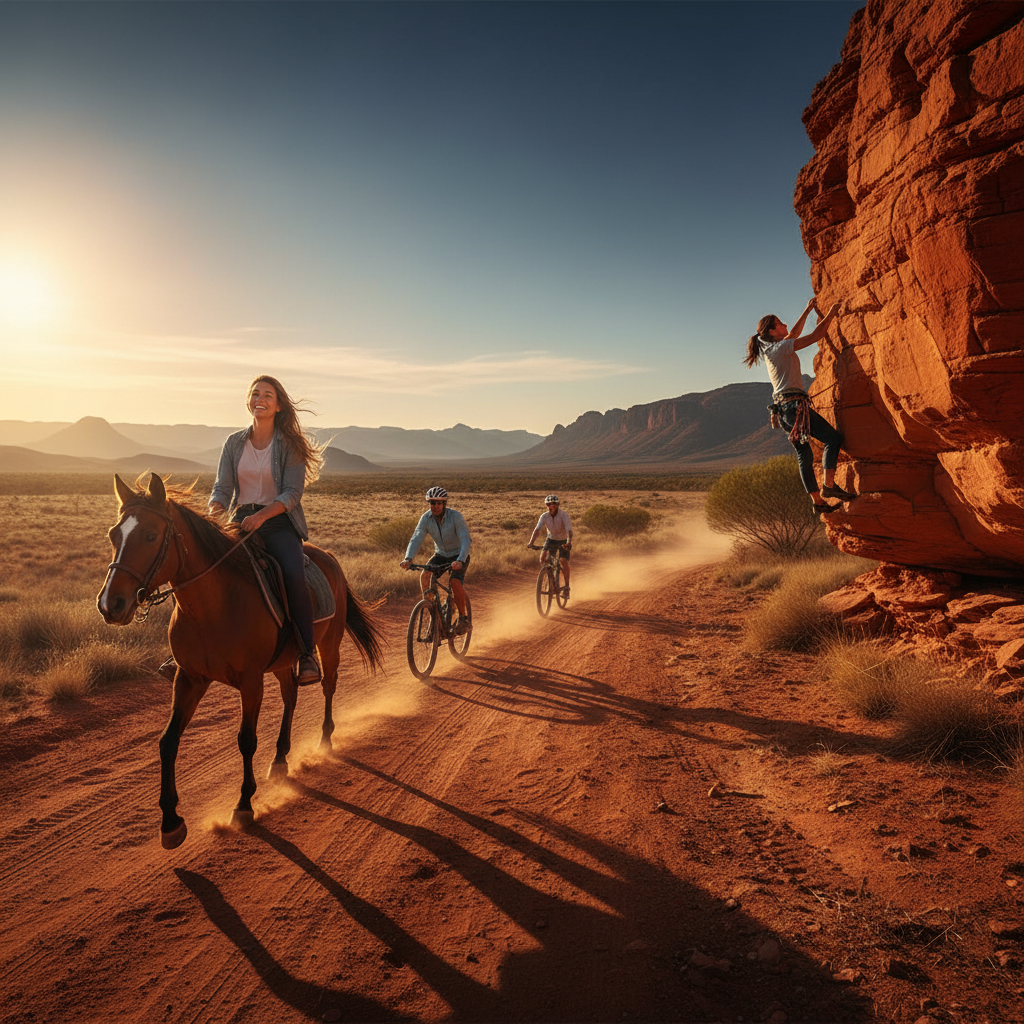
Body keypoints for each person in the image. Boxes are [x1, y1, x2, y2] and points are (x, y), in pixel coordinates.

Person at [208, 374, 325, 684]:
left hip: (279, 523)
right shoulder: (234, 442)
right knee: (207, 567)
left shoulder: (290, 444)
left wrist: (263, 517)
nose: (260, 399)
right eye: (255, 393)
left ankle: (306, 653)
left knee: (292, 573)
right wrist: (214, 513)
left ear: (278, 406)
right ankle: (197, 646)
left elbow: (291, 493)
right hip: (241, 519)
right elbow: (223, 486)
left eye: (268, 395)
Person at [744, 299, 855, 514]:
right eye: (781, 323)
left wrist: (808, 309)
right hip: (794, 409)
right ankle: (829, 486)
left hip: (785, 411)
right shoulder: (780, 348)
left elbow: (792, 333)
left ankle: (818, 503)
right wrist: (831, 312)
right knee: (832, 438)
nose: (785, 325)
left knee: (804, 454)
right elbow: (815, 336)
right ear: (772, 330)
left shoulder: (774, 348)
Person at [400, 486, 472, 634]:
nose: (435, 506)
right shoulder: (426, 518)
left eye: (439, 503)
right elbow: (416, 537)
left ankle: (464, 618)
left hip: (459, 555)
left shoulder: (455, 517)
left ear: (444, 504)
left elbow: (465, 539)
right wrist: (408, 558)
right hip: (441, 555)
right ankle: (434, 613)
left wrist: (460, 560)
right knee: (425, 575)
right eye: (432, 503)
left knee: (454, 581)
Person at [527, 494, 573, 596]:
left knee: (563, 561)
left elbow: (569, 530)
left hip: (563, 540)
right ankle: (551, 579)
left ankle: (566, 587)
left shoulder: (563, 515)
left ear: (557, 504)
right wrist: (531, 542)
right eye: (549, 504)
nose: (551, 506)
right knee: (543, 559)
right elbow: (537, 530)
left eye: (554, 503)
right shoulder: (544, 516)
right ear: (546, 505)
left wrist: (569, 542)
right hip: (551, 539)